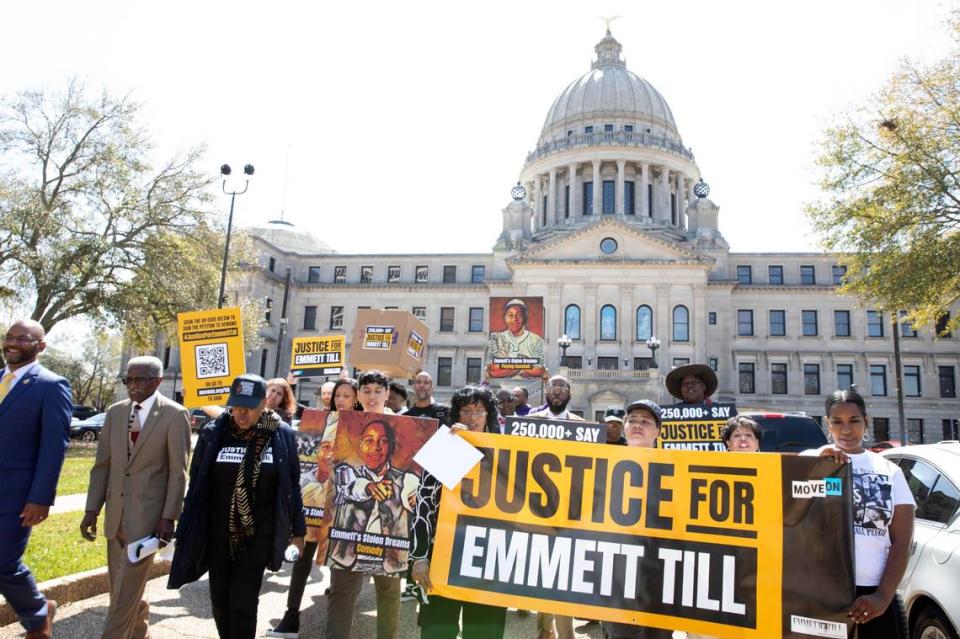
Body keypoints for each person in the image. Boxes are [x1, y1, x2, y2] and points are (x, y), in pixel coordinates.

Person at [168, 374, 306, 639]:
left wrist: (298, 534)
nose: (241, 414)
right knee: (220, 600)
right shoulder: (214, 433)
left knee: (243, 600)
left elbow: (292, 488)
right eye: (236, 407)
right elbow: (196, 484)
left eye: (249, 408)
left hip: (257, 533)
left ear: (263, 404)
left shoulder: (281, 435)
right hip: (217, 531)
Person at [81, 355, 191, 639]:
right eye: (128, 379)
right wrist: (91, 510)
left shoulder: (174, 415)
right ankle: (140, 632)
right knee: (121, 588)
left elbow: (177, 473)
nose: (133, 385)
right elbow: (102, 465)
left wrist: (169, 517)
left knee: (123, 595)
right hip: (115, 516)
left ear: (157, 381)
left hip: (149, 520)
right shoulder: (116, 412)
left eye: (139, 379)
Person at [801, 389, 915, 638]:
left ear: (867, 422)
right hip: (819, 594)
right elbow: (785, 517)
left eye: (854, 421)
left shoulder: (889, 472)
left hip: (873, 596)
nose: (846, 430)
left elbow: (901, 541)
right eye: (837, 422)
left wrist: (882, 596)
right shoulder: (808, 461)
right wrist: (814, 468)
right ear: (827, 424)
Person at [410, 385, 507, 638]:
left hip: (490, 560)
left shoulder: (506, 451)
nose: (472, 418)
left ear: (489, 415)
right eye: (466, 411)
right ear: (456, 414)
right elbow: (424, 506)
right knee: (437, 631)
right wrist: (419, 557)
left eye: (479, 411)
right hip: (444, 556)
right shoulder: (446, 445)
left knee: (484, 632)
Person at [270, 378, 359, 638]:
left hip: (346, 503)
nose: (341, 400)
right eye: (337, 396)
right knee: (303, 555)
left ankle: (336, 621)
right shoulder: (318, 422)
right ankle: (291, 616)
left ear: (355, 399)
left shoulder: (363, 427)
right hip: (313, 500)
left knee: (339, 561)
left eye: (346, 395)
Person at [0, 319, 71, 639]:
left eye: (22, 338)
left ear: (40, 346)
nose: (13, 343)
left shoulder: (51, 385)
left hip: (17, 495)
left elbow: (53, 446)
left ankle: (38, 613)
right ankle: (40, 608)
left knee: (3, 561)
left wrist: (41, 498)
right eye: (9, 337)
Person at [325, 370, 403, 639]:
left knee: (389, 595)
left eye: (377, 391)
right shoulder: (343, 424)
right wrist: (367, 487)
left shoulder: (404, 425)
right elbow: (340, 474)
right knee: (342, 594)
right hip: (348, 534)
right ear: (358, 394)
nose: (372, 397)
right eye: (366, 391)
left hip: (389, 538)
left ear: (387, 394)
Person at [603, 399, 672, 639]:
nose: (637, 425)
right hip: (619, 572)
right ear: (624, 426)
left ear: (658, 430)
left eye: (645, 421)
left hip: (662, 570)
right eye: (632, 420)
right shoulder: (603, 464)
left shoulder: (677, 467)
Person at [531, 375, 582, 639]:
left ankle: (566, 634)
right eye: (554, 387)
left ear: (570, 393)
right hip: (536, 512)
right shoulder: (529, 424)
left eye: (563, 387)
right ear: (547, 392)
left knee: (565, 577)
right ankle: (544, 630)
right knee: (542, 574)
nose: (558, 391)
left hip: (570, 513)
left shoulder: (584, 428)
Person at [485, 298, 546, 379]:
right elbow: (493, 371)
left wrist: (506, 364)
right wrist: (524, 364)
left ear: (525, 318)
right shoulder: (496, 338)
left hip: (529, 387)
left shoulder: (537, 340)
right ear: (505, 318)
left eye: (519, 315)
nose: (515, 319)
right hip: (500, 387)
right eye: (510, 315)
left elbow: (539, 370)